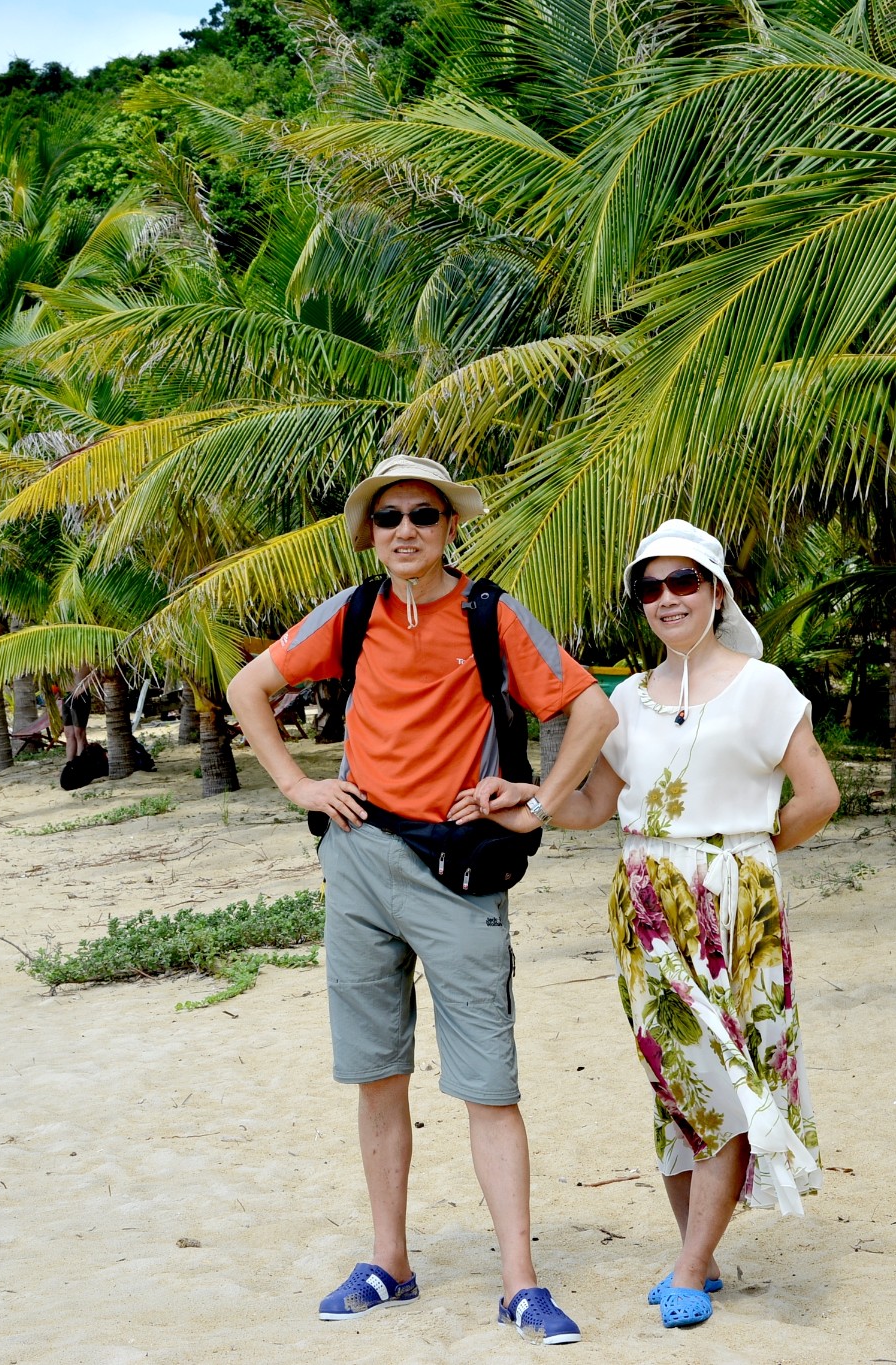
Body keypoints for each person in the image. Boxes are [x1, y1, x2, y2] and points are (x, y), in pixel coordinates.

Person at [228, 454, 618, 1344]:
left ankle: (519, 1281)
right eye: (390, 516)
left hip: (457, 868)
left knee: (488, 1081)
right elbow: (251, 687)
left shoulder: (490, 612)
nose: (407, 530)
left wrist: (535, 802)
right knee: (376, 1073)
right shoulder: (355, 611)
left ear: (450, 528)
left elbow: (591, 711)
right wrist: (298, 786)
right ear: (371, 531)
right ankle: (389, 1262)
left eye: (425, 515)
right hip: (359, 859)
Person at [476, 519, 839, 1330]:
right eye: (651, 586)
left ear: (716, 590)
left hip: (734, 902)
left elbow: (817, 796)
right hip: (644, 903)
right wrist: (524, 804)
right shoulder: (627, 701)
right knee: (676, 1081)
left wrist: (745, 854)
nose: (667, 599)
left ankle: (684, 1265)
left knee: (724, 1078)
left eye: (684, 582)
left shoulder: (764, 686)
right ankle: (699, 1256)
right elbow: (598, 805)